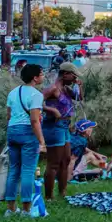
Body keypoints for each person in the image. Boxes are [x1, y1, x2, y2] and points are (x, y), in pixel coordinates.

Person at [3, 63, 47, 216]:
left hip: (12, 131)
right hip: (27, 132)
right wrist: (42, 142)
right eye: (42, 73)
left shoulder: (13, 92)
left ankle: (11, 208)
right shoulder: (36, 95)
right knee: (28, 170)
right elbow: (35, 121)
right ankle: (27, 209)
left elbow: (8, 116)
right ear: (35, 78)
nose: (43, 76)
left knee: (14, 170)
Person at [41, 63, 79, 200]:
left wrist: (79, 85)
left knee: (66, 159)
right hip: (54, 125)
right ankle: (49, 197)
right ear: (65, 74)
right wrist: (52, 110)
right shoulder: (53, 89)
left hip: (65, 125)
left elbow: (79, 98)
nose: (74, 79)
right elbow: (37, 102)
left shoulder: (66, 89)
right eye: (73, 76)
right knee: (54, 162)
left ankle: (63, 193)